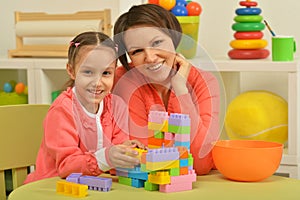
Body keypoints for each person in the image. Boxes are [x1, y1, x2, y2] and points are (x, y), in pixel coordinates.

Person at [112, 4, 220, 175]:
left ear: (174, 37)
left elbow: (201, 164)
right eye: (137, 51)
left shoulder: (205, 82)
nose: (150, 57)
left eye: (157, 43)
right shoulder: (125, 80)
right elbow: (143, 159)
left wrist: (180, 89)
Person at [25, 31, 145, 184]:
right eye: (88, 72)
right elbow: (66, 167)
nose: (97, 82)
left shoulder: (116, 106)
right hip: (53, 187)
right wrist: (108, 156)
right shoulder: (63, 110)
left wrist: (125, 152)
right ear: (71, 71)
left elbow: (114, 157)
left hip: (94, 187)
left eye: (106, 73)